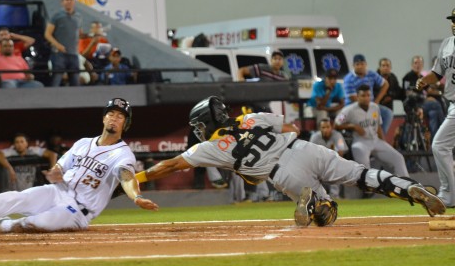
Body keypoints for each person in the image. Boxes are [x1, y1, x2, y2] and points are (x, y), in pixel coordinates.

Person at [134, 96, 445, 228]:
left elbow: (171, 165)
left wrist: (139, 179)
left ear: (206, 122)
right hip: (304, 148)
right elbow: (291, 129)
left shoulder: (212, 147)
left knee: (328, 215)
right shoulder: (250, 117)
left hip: (281, 173)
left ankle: (313, 202)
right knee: (361, 174)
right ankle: (411, 188)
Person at [0, 98, 159, 233]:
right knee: (16, 197)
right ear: (103, 119)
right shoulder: (83, 143)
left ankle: (3, 225)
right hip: (57, 191)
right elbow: (61, 165)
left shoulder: (123, 154)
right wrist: (56, 171)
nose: (114, 118)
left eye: (120, 116)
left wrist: (136, 196)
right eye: (111, 114)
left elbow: (126, 176)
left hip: (77, 210)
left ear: (126, 124)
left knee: (36, 223)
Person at [415, 7, 455, 208]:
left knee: (440, 145)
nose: (454, 23)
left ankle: (449, 194)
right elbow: (437, 74)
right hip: (452, 104)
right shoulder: (447, 44)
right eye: (453, 20)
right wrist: (424, 81)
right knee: (443, 146)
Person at [335, 84, 408, 177]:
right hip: (360, 141)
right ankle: (368, 189)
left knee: (398, 158)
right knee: (364, 167)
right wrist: (353, 126)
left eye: (368, 95)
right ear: (357, 97)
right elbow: (336, 125)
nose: (366, 98)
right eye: (363, 96)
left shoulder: (375, 107)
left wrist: (384, 143)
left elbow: (378, 126)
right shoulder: (348, 110)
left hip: (375, 140)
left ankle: (406, 186)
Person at [343, 54, 393, 134]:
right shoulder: (348, 79)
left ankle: (379, 138)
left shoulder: (371, 74)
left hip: (370, 104)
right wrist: (368, 108)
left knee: (388, 113)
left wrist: (376, 101)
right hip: (353, 106)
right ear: (353, 65)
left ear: (366, 64)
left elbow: (385, 84)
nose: (360, 66)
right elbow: (353, 98)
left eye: (362, 64)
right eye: (357, 64)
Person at [44, 0, 83, 87]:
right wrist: (58, 45)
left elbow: (77, 33)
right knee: (56, 80)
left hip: (73, 54)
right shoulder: (56, 16)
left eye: (71, 0)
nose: (69, 2)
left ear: (74, 2)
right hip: (59, 54)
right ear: (62, 2)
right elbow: (47, 34)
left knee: (75, 82)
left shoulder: (78, 16)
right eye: (67, 0)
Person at [309, 118, 347, 198]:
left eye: (328, 127)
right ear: (319, 128)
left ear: (331, 127)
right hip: (318, 164)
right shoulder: (315, 137)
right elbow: (310, 154)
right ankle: (317, 197)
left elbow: (341, 153)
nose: (326, 129)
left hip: (333, 163)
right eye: (323, 127)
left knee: (337, 167)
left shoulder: (337, 135)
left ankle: (335, 196)